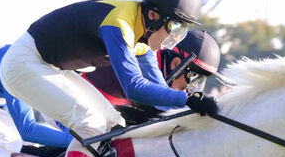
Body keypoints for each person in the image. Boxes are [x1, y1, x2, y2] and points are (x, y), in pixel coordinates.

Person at [0, 0, 211, 157]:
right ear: (154, 15)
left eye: (183, 28)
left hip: (50, 66)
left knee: (113, 120)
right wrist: (187, 99)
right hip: (24, 64)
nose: (176, 37)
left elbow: (158, 93)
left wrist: (200, 108)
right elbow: (134, 88)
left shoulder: (142, 35)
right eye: (176, 26)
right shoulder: (119, 23)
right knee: (90, 120)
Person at [82, 29, 221, 108]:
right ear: (176, 63)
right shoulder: (147, 61)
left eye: (200, 79)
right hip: (80, 111)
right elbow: (168, 107)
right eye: (194, 76)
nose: (194, 85)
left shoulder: (161, 64)